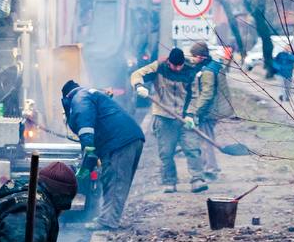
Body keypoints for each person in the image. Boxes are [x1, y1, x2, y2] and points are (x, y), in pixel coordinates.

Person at [61, 79, 145, 230]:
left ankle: (108, 222)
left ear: (66, 97)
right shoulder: (90, 93)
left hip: (119, 142)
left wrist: (88, 148)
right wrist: (87, 165)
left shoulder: (79, 98)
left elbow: (85, 125)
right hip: (127, 139)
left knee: (114, 181)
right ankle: (109, 217)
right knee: (116, 181)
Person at [130, 47, 207, 193]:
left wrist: (190, 115)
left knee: (192, 149)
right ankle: (169, 182)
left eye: (180, 65)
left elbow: (194, 96)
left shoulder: (190, 71)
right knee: (166, 153)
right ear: (169, 62)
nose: (177, 68)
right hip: (163, 118)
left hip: (185, 118)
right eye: (174, 65)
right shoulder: (158, 67)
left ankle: (197, 179)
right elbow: (136, 74)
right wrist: (139, 86)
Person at [183, 41, 234, 182]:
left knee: (206, 141)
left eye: (193, 56)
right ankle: (209, 167)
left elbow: (207, 94)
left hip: (210, 111)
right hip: (215, 109)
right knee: (206, 139)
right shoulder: (214, 65)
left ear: (200, 56)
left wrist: (195, 112)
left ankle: (211, 170)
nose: (192, 59)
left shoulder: (207, 72)